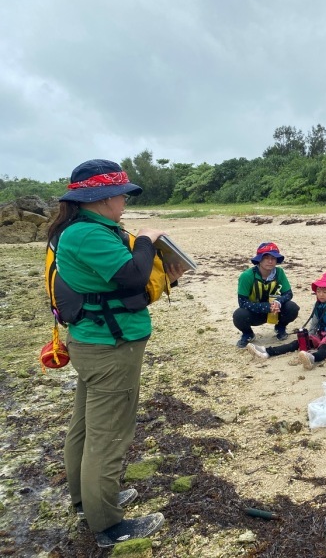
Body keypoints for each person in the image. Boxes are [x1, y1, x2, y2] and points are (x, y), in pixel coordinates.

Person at [50, 159, 182, 547]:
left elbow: (117, 291)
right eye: (121, 193)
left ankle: (85, 501)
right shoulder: (88, 235)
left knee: (86, 427)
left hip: (94, 340)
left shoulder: (79, 231)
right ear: (102, 198)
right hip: (110, 348)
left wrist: (165, 276)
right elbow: (132, 275)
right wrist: (144, 239)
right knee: (108, 437)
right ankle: (107, 524)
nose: (124, 200)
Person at [246, 272, 326, 370]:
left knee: (324, 348)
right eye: (318, 291)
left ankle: (313, 358)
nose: (321, 295)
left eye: (325, 292)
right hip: (320, 333)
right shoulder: (318, 305)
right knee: (297, 342)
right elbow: (314, 324)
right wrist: (309, 338)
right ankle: (267, 351)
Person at [233, 242, 300, 347]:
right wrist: (266, 307)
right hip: (254, 313)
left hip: (276, 311)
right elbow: (242, 303)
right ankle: (248, 334)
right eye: (266, 258)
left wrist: (278, 302)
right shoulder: (246, 276)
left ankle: (280, 328)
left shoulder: (280, 272)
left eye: (273, 258)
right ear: (259, 259)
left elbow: (288, 294)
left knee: (292, 307)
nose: (270, 261)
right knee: (239, 315)